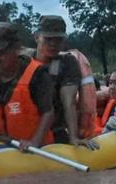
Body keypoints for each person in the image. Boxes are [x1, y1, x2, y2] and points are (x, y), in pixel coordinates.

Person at [0, 22, 55, 150]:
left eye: (1, 52)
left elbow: (48, 113)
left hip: (33, 148)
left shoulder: (38, 74)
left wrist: (34, 142)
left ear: (17, 48)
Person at [31, 15, 97, 148]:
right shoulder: (23, 62)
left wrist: (73, 137)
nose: (53, 44)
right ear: (37, 37)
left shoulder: (68, 63)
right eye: (48, 39)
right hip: (25, 128)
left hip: (54, 130)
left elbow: (69, 102)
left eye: (58, 39)